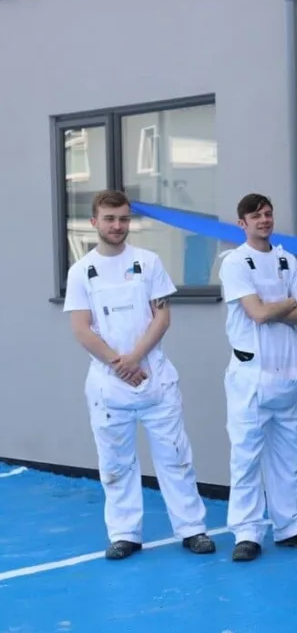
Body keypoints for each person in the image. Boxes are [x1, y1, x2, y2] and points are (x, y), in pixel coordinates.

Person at [63, 190, 215, 560]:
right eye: (110, 219)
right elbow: (82, 328)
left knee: (176, 456)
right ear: (94, 222)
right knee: (115, 464)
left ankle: (192, 529)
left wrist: (136, 358)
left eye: (124, 219)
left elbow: (162, 316)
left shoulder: (148, 263)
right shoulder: (81, 271)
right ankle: (125, 534)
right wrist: (120, 364)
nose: (117, 226)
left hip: (155, 380)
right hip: (108, 388)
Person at [218, 193, 297, 562]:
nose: (264, 219)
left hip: (287, 375)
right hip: (250, 376)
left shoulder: (286, 259)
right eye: (255, 215)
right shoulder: (234, 263)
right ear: (242, 223)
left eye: (267, 213)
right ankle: (246, 534)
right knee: (246, 457)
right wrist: (284, 305)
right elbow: (258, 314)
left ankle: (289, 526)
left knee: (288, 456)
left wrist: (273, 308)